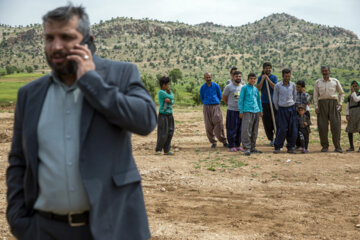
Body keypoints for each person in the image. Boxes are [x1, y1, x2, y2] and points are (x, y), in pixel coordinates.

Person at [6, 4, 157, 240]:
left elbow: (146, 120)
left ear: (88, 41)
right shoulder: (29, 95)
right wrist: (18, 220)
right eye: (49, 38)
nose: (56, 46)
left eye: (66, 37)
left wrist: (92, 82)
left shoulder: (122, 74)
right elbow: (18, 161)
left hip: (113, 229)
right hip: (44, 230)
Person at [314, 66, 345, 153]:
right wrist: (316, 106)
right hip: (322, 104)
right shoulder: (318, 82)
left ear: (329, 71)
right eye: (323, 71)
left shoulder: (335, 81)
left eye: (326, 70)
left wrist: (340, 103)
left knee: (336, 126)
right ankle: (324, 146)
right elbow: (315, 96)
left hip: (333, 104)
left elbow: (342, 93)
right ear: (321, 72)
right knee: (322, 126)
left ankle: (337, 147)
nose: (325, 72)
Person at [200, 72, 228, 148]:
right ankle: (213, 142)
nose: (208, 78)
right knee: (208, 125)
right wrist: (207, 103)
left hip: (216, 106)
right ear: (204, 78)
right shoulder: (203, 87)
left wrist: (215, 102)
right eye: (207, 77)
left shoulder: (216, 86)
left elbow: (219, 96)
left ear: (211, 77)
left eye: (209, 77)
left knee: (218, 123)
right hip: (206, 107)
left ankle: (223, 141)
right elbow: (202, 97)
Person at [273, 68, 297, 154]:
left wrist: (293, 105)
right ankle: (277, 146)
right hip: (281, 109)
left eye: (288, 75)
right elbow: (275, 98)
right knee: (282, 129)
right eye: (286, 75)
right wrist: (278, 108)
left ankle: (290, 147)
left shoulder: (292, 85)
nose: (287, 77)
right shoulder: (278, 86)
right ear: (283, 76)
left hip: (291, 108)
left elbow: (294, 96)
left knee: (292, 129)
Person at [239, 73, 263, 156]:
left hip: (256, 111)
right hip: (247, 111)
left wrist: (260, 110)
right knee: (246, 130)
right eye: (251, 78)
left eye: (254, 79)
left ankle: (253, 147)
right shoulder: (244, 88)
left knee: (254, 131)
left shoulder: (256, 89)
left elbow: (258, 100)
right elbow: (241, 100)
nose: (253, 80)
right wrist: (241, 111)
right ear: (248, 79)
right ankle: (247, 148)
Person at [257, 62, 278, 146]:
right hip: (264, 102)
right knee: (266, 122)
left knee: (275, 120)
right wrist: (262, 79)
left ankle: (278, 137)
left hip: (273, 102)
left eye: (269, 68)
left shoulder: (274, 77)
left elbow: (275, 87)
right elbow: (258, 88)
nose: (268, 69)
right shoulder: (260, 78)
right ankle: (271, 138)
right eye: (266, 68)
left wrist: (268, 79)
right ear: (263, 69)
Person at [222, 71, 244, 152]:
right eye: (236, 76)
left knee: (239, 129)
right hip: (232, 111)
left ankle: (238, 145)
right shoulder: (228, 87)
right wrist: (230, 104)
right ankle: (231, 145)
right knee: (231, 128)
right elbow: (224, 98)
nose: (238, 78)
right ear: (233, 77)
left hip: (240, 111)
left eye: (239, 76)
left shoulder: (242, 87)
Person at [155, 76, 175, 155]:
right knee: (163, 132)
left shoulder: (167, 92)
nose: (168, 86)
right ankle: (158, 150)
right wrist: (171, 98)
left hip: (170, 114)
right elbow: (172, 97)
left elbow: (172, 101)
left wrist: (170, 100)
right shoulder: (161, 92)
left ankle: (166, 150)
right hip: (163, 115)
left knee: (170, 132)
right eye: (168, 84)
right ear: (163, 85)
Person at [295, 80, 311, 149]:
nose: (297, 89)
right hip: (297, 113)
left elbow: (307, 102)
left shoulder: (307, 95)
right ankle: (298, 144)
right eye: (297, 87)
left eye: (299, 87)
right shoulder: (295, 94)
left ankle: (305, 145)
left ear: (303, 87)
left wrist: (303, 94)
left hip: (305, 113)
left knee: (305, 129)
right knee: (297, 129)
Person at [345, 81, 360, 152]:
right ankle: (351, 146)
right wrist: (347, 114)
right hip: (352, 114)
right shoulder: (349, 96)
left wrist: (353, 92)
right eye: (353, 86)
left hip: (359, 114)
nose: (355, 87)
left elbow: (356, 99)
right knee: (350, 130)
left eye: (356, 86)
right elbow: (347, 106)